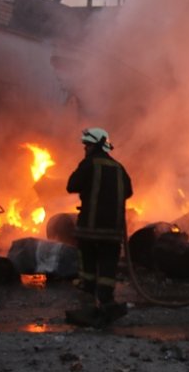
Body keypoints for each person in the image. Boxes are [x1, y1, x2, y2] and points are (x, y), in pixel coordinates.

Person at [65, 127, 133, 328]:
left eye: (87, 144)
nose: (85, 148)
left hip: (89, 229)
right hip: (113, 231)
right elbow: (128, 191)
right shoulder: (120, 168)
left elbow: (71, 185)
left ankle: (88, 303)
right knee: (107, 267)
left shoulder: (88, 164)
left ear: (96, 145)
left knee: (88, 268)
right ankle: (106, 302)